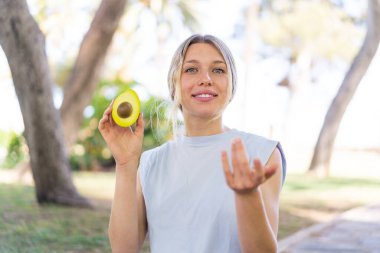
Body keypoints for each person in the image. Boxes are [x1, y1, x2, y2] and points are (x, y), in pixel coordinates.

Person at [99, 34, 286, 253]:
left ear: (231, 83)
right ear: (174, 83)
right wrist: (125, 165)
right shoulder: (151, 162)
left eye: (218, 70)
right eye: (191, 69)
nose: (206, 78)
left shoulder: (262, 154)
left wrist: (247, 197)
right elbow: (124, 249)